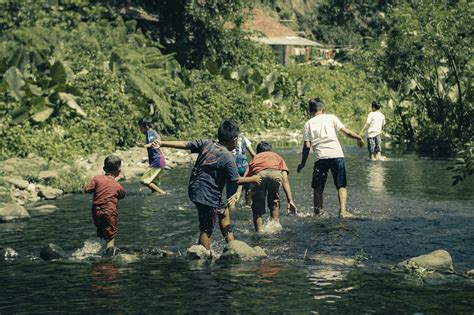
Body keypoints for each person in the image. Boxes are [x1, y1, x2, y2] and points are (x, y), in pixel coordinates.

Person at [154, 119, 262, 250]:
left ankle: (231, 245)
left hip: (195, 188)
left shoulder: (206, 143)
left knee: (223, 212)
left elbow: (186, 144)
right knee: (207, 228)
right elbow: (235, 180)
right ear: (234, 140)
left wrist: (162, 143)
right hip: (206, 194)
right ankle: (203, 256)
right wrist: (254, 178)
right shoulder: (228, 156)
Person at [297, 98, 364, 218]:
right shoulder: (331, 117)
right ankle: (342, 211)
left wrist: (302, 163)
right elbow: (346, 132)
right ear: (323, 109)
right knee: (341, 185)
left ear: (310, 111)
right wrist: (359, 137)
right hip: (336, 155)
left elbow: (307, 146)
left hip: (320, 158)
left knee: (318, 188)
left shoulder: (308, 124)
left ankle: (318, 213)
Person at [232, 141, 297, 233]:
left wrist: (238, 192)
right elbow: (285, 180)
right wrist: (290, 200)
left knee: (257, 206)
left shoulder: (255, 158)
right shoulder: (277, 156)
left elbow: (245, 177)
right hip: (275, 174)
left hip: (259, 175)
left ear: (258, 152)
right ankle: (274, 228)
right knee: (274, 202)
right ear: (270, 150)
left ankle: (259, 231)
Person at [84, 155, 125, 254]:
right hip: (109, 212)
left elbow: (87, 189)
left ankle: (98, 251)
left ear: (104, 168)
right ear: (119, 171)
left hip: (96, 211)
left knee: (101, 232)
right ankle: (109, 253)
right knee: (111, 235)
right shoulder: (118, 186)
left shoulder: (97, 179)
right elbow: (121, 195)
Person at [226, 133, 256, 209]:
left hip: (232, 169)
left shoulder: (226, 138)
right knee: (248, 192)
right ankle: (248, 207)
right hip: (245, 169)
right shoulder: (243, 138)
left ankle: (231, 211)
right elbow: (253, 154)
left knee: (231, 196)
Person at [138, 118, 167, 194]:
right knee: (154, 186)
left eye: (141, 128)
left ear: (146, 126)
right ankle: (158, 195)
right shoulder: (153, 132)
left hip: (157, 161)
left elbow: (153, 143)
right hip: (160, 161)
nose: (140, 130)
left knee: (144, 180)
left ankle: (163, 193)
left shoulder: (150, 132)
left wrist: (143, 146)